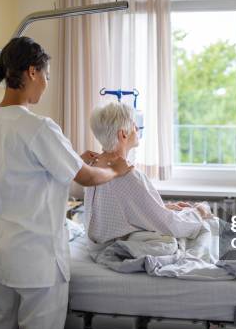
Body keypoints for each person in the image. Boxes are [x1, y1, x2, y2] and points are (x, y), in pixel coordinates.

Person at [0, 37, 132, 329]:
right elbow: (86, 178)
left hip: (1, 255)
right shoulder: (38, 126)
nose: (46, 85)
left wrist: (77, 158)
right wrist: (116, 170)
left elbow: (25, 167)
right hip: (37, 260)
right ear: (33, 72)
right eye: (46, 76)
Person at [84, 101, 211, 245]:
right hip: (118, 248)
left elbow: (119, 210)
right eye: (133, 124)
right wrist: (199, 212)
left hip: (96, 246)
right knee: (209, 225)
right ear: (123, 134)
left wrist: (162, 208)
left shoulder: (91, 167)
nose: (137, 128)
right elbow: (171, 226)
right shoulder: (129, 176)